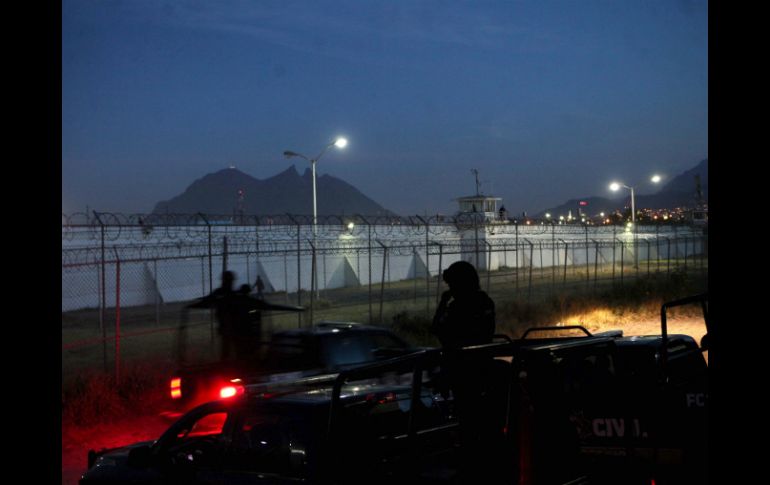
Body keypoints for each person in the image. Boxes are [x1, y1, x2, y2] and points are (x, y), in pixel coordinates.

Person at [430, 261, 497, 481]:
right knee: (478, 418)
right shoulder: (484, 302)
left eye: (452, 284)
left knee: (468, 418)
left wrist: (443, 303)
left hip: (464, 371)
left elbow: (438, 329)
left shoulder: (460, 306)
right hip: (480, 368)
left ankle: (471, 464)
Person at [188, 270, 238, 361]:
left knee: (228, 346)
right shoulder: (228, 294)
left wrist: (194, 305)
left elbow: (208, 301)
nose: (229, 283)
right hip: (229, 325)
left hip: (229, 325)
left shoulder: (223, 293)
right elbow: (208, 301)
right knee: (228, 346)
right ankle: (229, 362)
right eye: (229, 281)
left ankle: (228, 361)